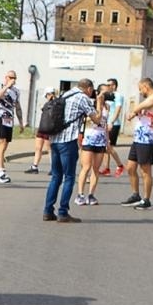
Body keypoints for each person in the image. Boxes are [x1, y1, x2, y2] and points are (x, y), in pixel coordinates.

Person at [42, 80, 94, 222]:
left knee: (56, 177)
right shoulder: (82, 98)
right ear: (89, 88)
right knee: (69, 177)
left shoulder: (64, 95)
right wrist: (100, 102)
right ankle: (63, 212)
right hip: (68, 141)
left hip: (55, 140)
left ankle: (48, 211)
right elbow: (96, 118)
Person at [120, 77, 153, 210]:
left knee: (145, 170)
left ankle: (146, 199)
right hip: (138, 138)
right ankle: (135, 195)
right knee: (130, 167)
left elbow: (140, 106)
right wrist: (134, 113)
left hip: (147, 139)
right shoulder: (147, 100)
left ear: (146, 86)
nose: (140, 92)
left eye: (140, 89)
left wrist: (133, 112)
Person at [74, 95, 110, 206]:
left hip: (100, 141)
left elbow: (105, 125)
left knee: (96, 169)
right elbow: (92, 119)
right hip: (89, 140)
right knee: (86, 167)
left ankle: (91, 194)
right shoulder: (89, 108)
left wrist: (107, 140)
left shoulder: (106, 108)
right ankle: (80, 194)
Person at [26, 87, 54, 174]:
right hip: (42, 127)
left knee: (49, 148)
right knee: (38, 147)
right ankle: (35, 166)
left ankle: (53, 167)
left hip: (49, 129)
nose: (46, 97)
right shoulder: (46, 104)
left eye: (47, 95)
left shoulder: (55, 104)